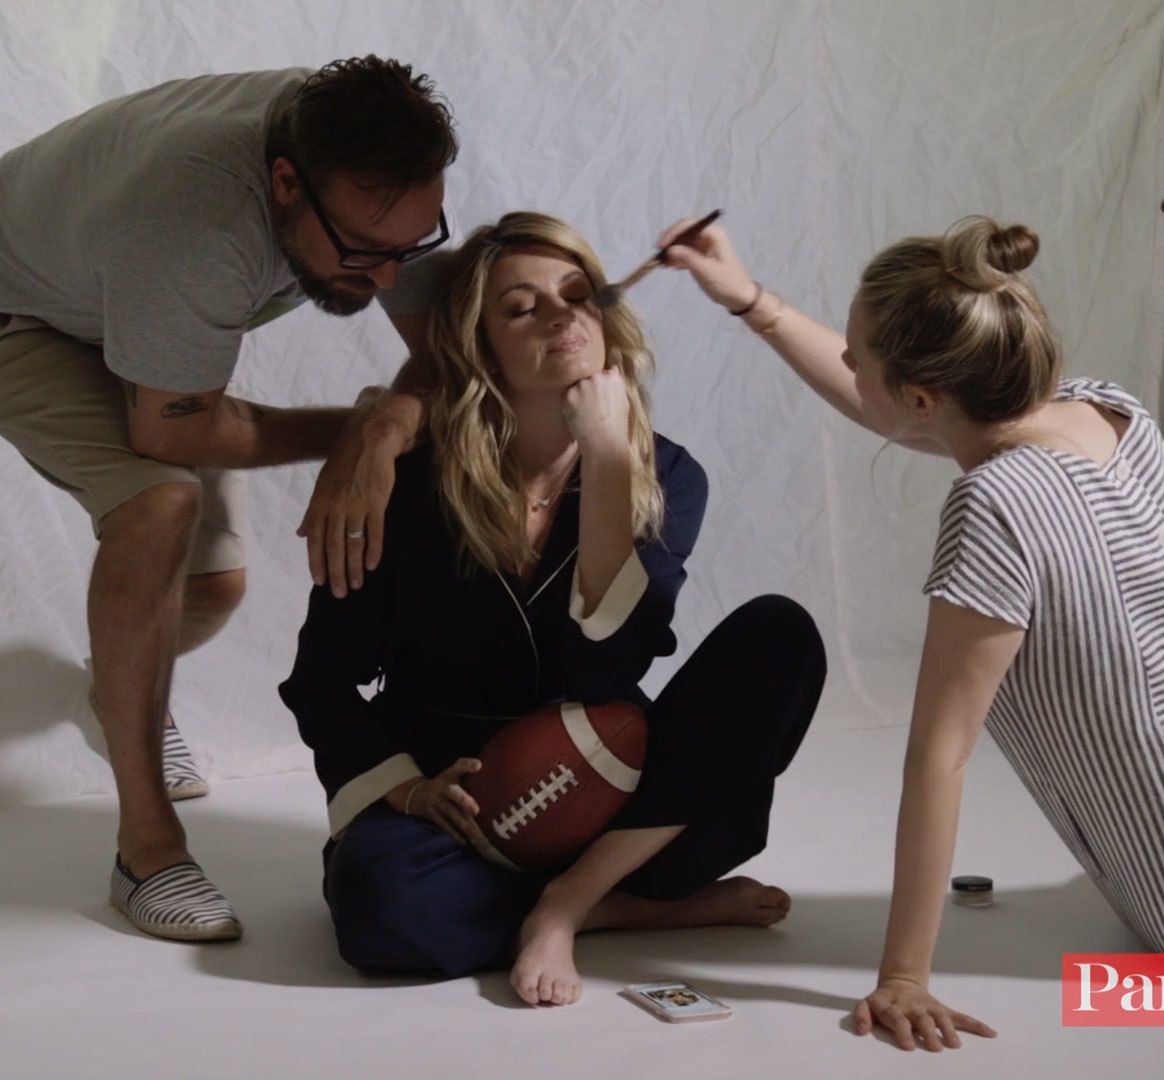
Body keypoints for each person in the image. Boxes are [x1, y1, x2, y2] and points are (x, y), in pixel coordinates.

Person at [663, 214, 1164, 1050]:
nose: (847, 365)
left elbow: (940, 757)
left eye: (856, 357)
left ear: (923, 398)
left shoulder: (992, 509)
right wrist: (749, 300)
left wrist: (903, 975)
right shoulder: (1104, 408)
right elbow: (898, 408)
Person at [0, 57, 457, 943]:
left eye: (413, 246)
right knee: (158, 502)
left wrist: (388, 424)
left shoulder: (371, 163)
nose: (390, 278)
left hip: (115, 290)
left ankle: (116, 695)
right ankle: (146, 852)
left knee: (214, 588)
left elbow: (441, 358)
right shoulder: (193, 224)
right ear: (286, 184)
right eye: (363, 253)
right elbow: (173, 432)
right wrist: (353, 434)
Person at [278, 212, 826, 1006]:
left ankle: (570, 903)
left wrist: (606, 457)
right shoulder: (407, 485)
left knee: (780, 636)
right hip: (460, 811)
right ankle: (629, 912)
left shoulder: (669, 475)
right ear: (480, 346)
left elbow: (606, 667)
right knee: (379, 910)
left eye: (577, 295)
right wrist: (408, 791)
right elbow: (321, 680)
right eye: (520, 307)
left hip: (618, 803)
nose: (560, 316)